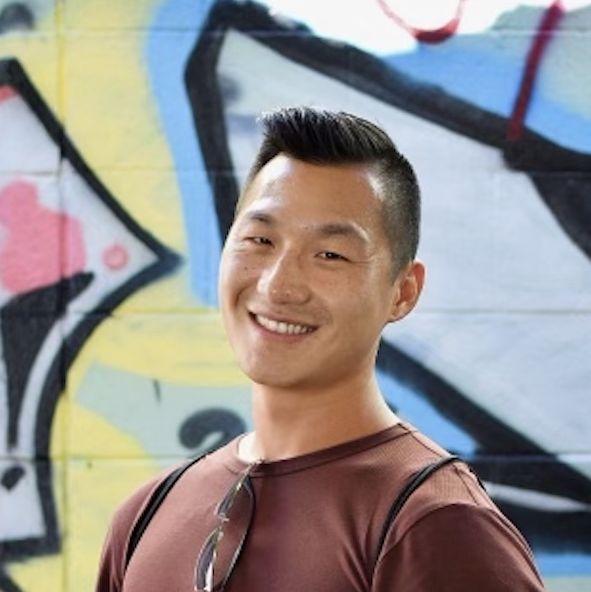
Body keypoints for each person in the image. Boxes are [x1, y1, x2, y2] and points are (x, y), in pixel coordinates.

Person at [96, 107, 546, 591]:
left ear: (403, 291)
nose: (278, 285)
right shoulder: (145, 516)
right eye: (260, 239)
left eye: (330, 255)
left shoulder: (436, 524)